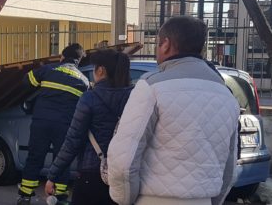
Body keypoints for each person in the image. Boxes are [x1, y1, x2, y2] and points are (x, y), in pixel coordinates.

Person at [107, 16, 240, 205]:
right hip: (203, 199)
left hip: (153, 199)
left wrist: (124, 199)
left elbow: (123, 159)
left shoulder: (151, 87)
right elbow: (230, 166)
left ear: (166, 44)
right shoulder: (226, 95)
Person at [45, 49, 133, 205]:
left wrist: (53, 175)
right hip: (125, 175)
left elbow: (72, 141)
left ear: (101, 70)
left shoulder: (89, 98)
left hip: (91, 174)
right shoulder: (134, 97)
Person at [17, 43, 90, 205]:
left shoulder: (48, 70)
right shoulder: (84, 81)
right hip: (64, 127)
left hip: (41, 123)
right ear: (79, 61)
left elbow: (26, 81)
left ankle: (25, 196)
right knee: (61, 160)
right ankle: (60, 197)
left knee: (35, 157)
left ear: (62, 57)